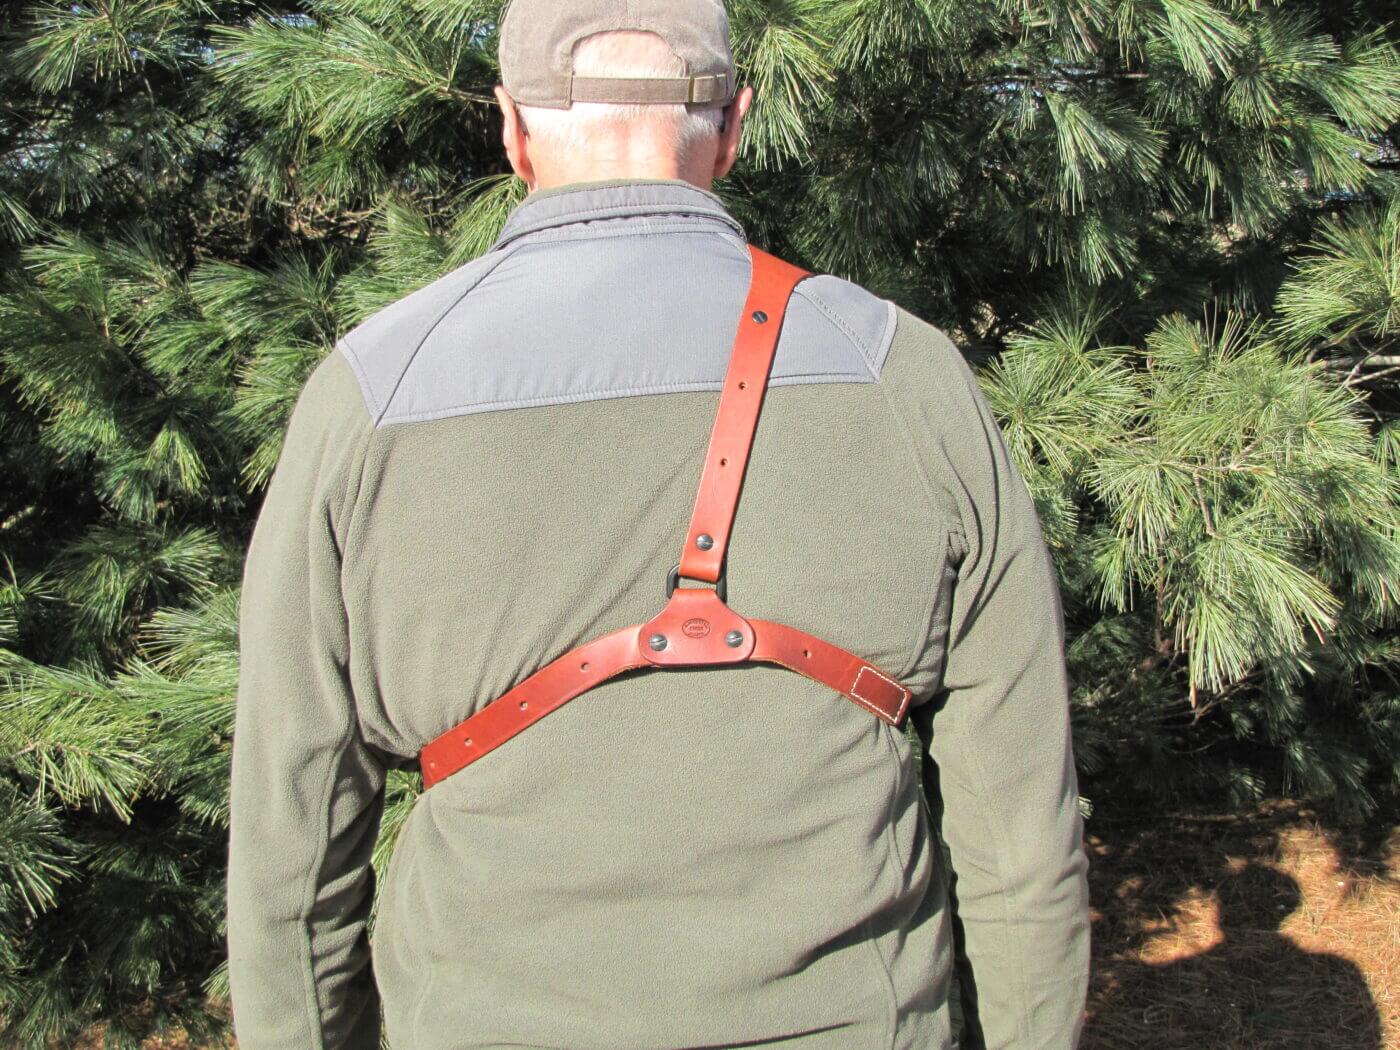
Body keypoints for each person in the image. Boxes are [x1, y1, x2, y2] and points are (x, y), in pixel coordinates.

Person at [224, 1, 1091, 1047]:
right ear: (733, 125)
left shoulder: (369, 395)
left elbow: (294, 834)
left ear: (510, 127)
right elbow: (1020, 833)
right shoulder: (902, 375)